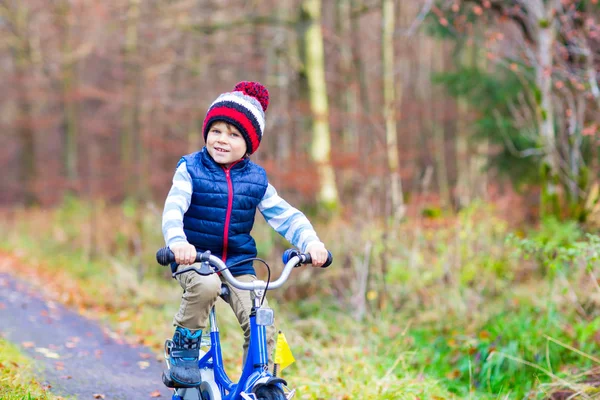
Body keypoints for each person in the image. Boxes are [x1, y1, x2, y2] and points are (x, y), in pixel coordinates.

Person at [161, 81, 329, 387]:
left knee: (262, 313)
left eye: (234, 134)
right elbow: (174, 208)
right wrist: (177, 242)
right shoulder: (191, 169)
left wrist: (311, 243)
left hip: (238, 264)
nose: (222, 139)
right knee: (206, 284)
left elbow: (287, 216)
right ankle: (183, 348)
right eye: (216, 130)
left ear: (249, 144)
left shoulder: (256, 180)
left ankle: (260, 376)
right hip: (196, 259)